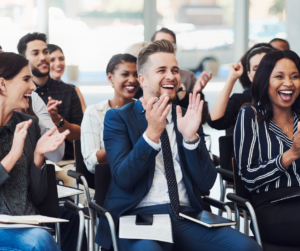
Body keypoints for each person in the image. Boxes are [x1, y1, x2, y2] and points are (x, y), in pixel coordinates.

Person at [96, 40, 262, 251]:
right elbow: (123, 178)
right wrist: (152, 134)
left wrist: (191, 138)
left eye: (175, 70)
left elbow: (206, 183)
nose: (171, 76)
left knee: (247, 247)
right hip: (138, 217)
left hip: (185, 215)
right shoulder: (118, 118)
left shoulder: (187, 116)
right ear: (142, 79)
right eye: (162, 70)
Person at [0, 52, 68, 250]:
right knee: (40, 241)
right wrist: (13, 154)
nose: (33, 86)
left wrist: (38, 156)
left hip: (28, 223)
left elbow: (37, 198)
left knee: (40, 238)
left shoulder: (29, 125)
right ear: (2, 84)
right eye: (26, 79)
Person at [234, 50, 300, 247]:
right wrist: (291, 155)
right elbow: (248, 177)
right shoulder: (250, 116)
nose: (288, 83)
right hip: (272, 207)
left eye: (295, 77)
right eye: (279, 76)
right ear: (264, 80)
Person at [17, 32, 83, 161]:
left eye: (45, 52)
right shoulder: (20, 94)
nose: (43, 57)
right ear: (23, 58)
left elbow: (80, 136)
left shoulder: (69, 91)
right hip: (30, 165)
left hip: (66, 163)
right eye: (35, 53)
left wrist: (58, 120)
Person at [81, 53, 139, 173]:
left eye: (136, 75)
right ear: (110, 78)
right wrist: (118, 136)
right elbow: (91, 164)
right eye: (125, 74)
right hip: (110, 182)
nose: (132, 80)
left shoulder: (146, 110)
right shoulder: (94, 112)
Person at [208, 45, 274, 132]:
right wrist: (231, 78)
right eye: (256, 68)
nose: (261, 72)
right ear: (249, 75)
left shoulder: (288, 97)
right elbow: (215, 121)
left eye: (266, 67)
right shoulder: (241, 101)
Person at [48, 44, 87, 113]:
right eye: (52, 60)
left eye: (61, 59)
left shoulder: (74, 90)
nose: (58, 63)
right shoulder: (36, 91)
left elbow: (86, 119)